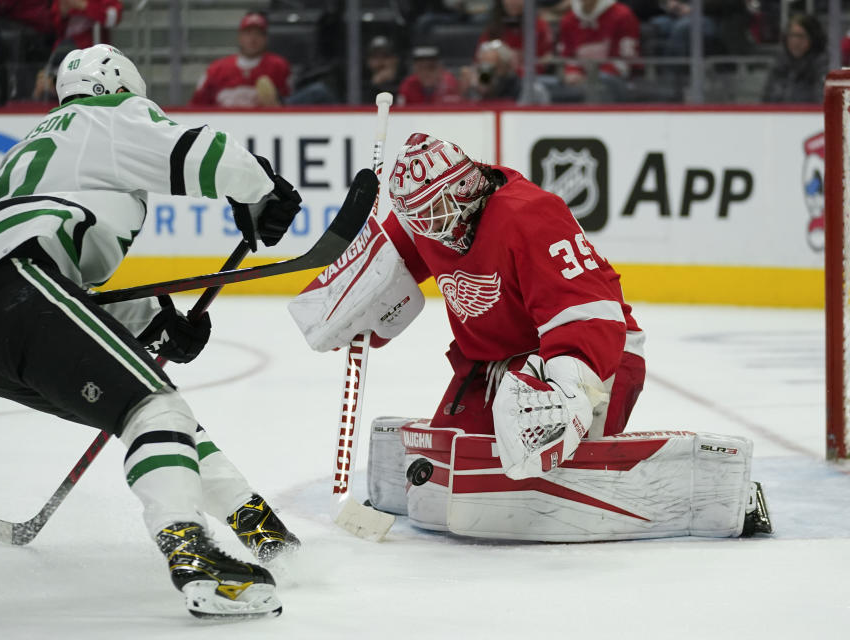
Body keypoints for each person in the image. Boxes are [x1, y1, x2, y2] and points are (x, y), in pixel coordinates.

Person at [0, 44, 302, 621]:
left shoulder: (28, 148)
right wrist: (264, 193)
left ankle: (255, 523)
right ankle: (193, 555)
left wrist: (156, 323)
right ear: (122, 84)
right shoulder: (110, 115)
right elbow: (202, 151)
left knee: (145, 411)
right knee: (155, 409)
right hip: (18, 285)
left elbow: (60, 284)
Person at [289, 133, 772, 542]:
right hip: (494, 366)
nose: (431, 229)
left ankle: (710, 488)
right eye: (419, 218)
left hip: (591, 355)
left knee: (528, 438)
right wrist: (332, 304)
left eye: (436, 212)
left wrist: (568, 391)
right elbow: (367, 276)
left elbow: (589, 313)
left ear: (464, 190)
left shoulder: (530, 214)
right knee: (457, 475)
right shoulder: (427, 218)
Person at [189, 11, 290, 108]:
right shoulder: (216, 69)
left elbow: (291, 104)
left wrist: (276, 107)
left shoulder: (278, 66)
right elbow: (196, 106)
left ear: (266, 38)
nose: (253, 39)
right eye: (248, 33)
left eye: (258, 33)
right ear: (240, 37)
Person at [554, 0, 641, 102]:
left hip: (616, 79)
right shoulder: (568, 19)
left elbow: (626, 59)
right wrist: (572, 72)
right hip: (580, 80)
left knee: (602, 85)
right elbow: (568, 56)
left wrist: (592, 77)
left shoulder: (622, 15)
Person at [762, 13, 829, 104]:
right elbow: (767, 100)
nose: (795, 41)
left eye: (800, 36)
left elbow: (822, 101)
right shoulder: (778, 66)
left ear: (813, 38)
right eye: (791, 35)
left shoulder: (823, 66)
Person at [396, 45, 461, 106]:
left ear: (440, 69)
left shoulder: (450, 84)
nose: (425, 73)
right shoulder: (407, 86)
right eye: (421, 68)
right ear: (415, 70)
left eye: (431, 67)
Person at [51, 0, 123, 51]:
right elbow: (53, 27)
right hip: (66, 48)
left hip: (95, 49)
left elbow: (113, 18)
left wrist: (85, 6)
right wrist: (62, 13)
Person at [362, 35, 404, 104]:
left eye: (385, 56)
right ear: (368, 62)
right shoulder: (358, 88)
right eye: (375, 57)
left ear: (395, 59)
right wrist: (374, 86)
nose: (380, 61)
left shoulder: (406, 84)